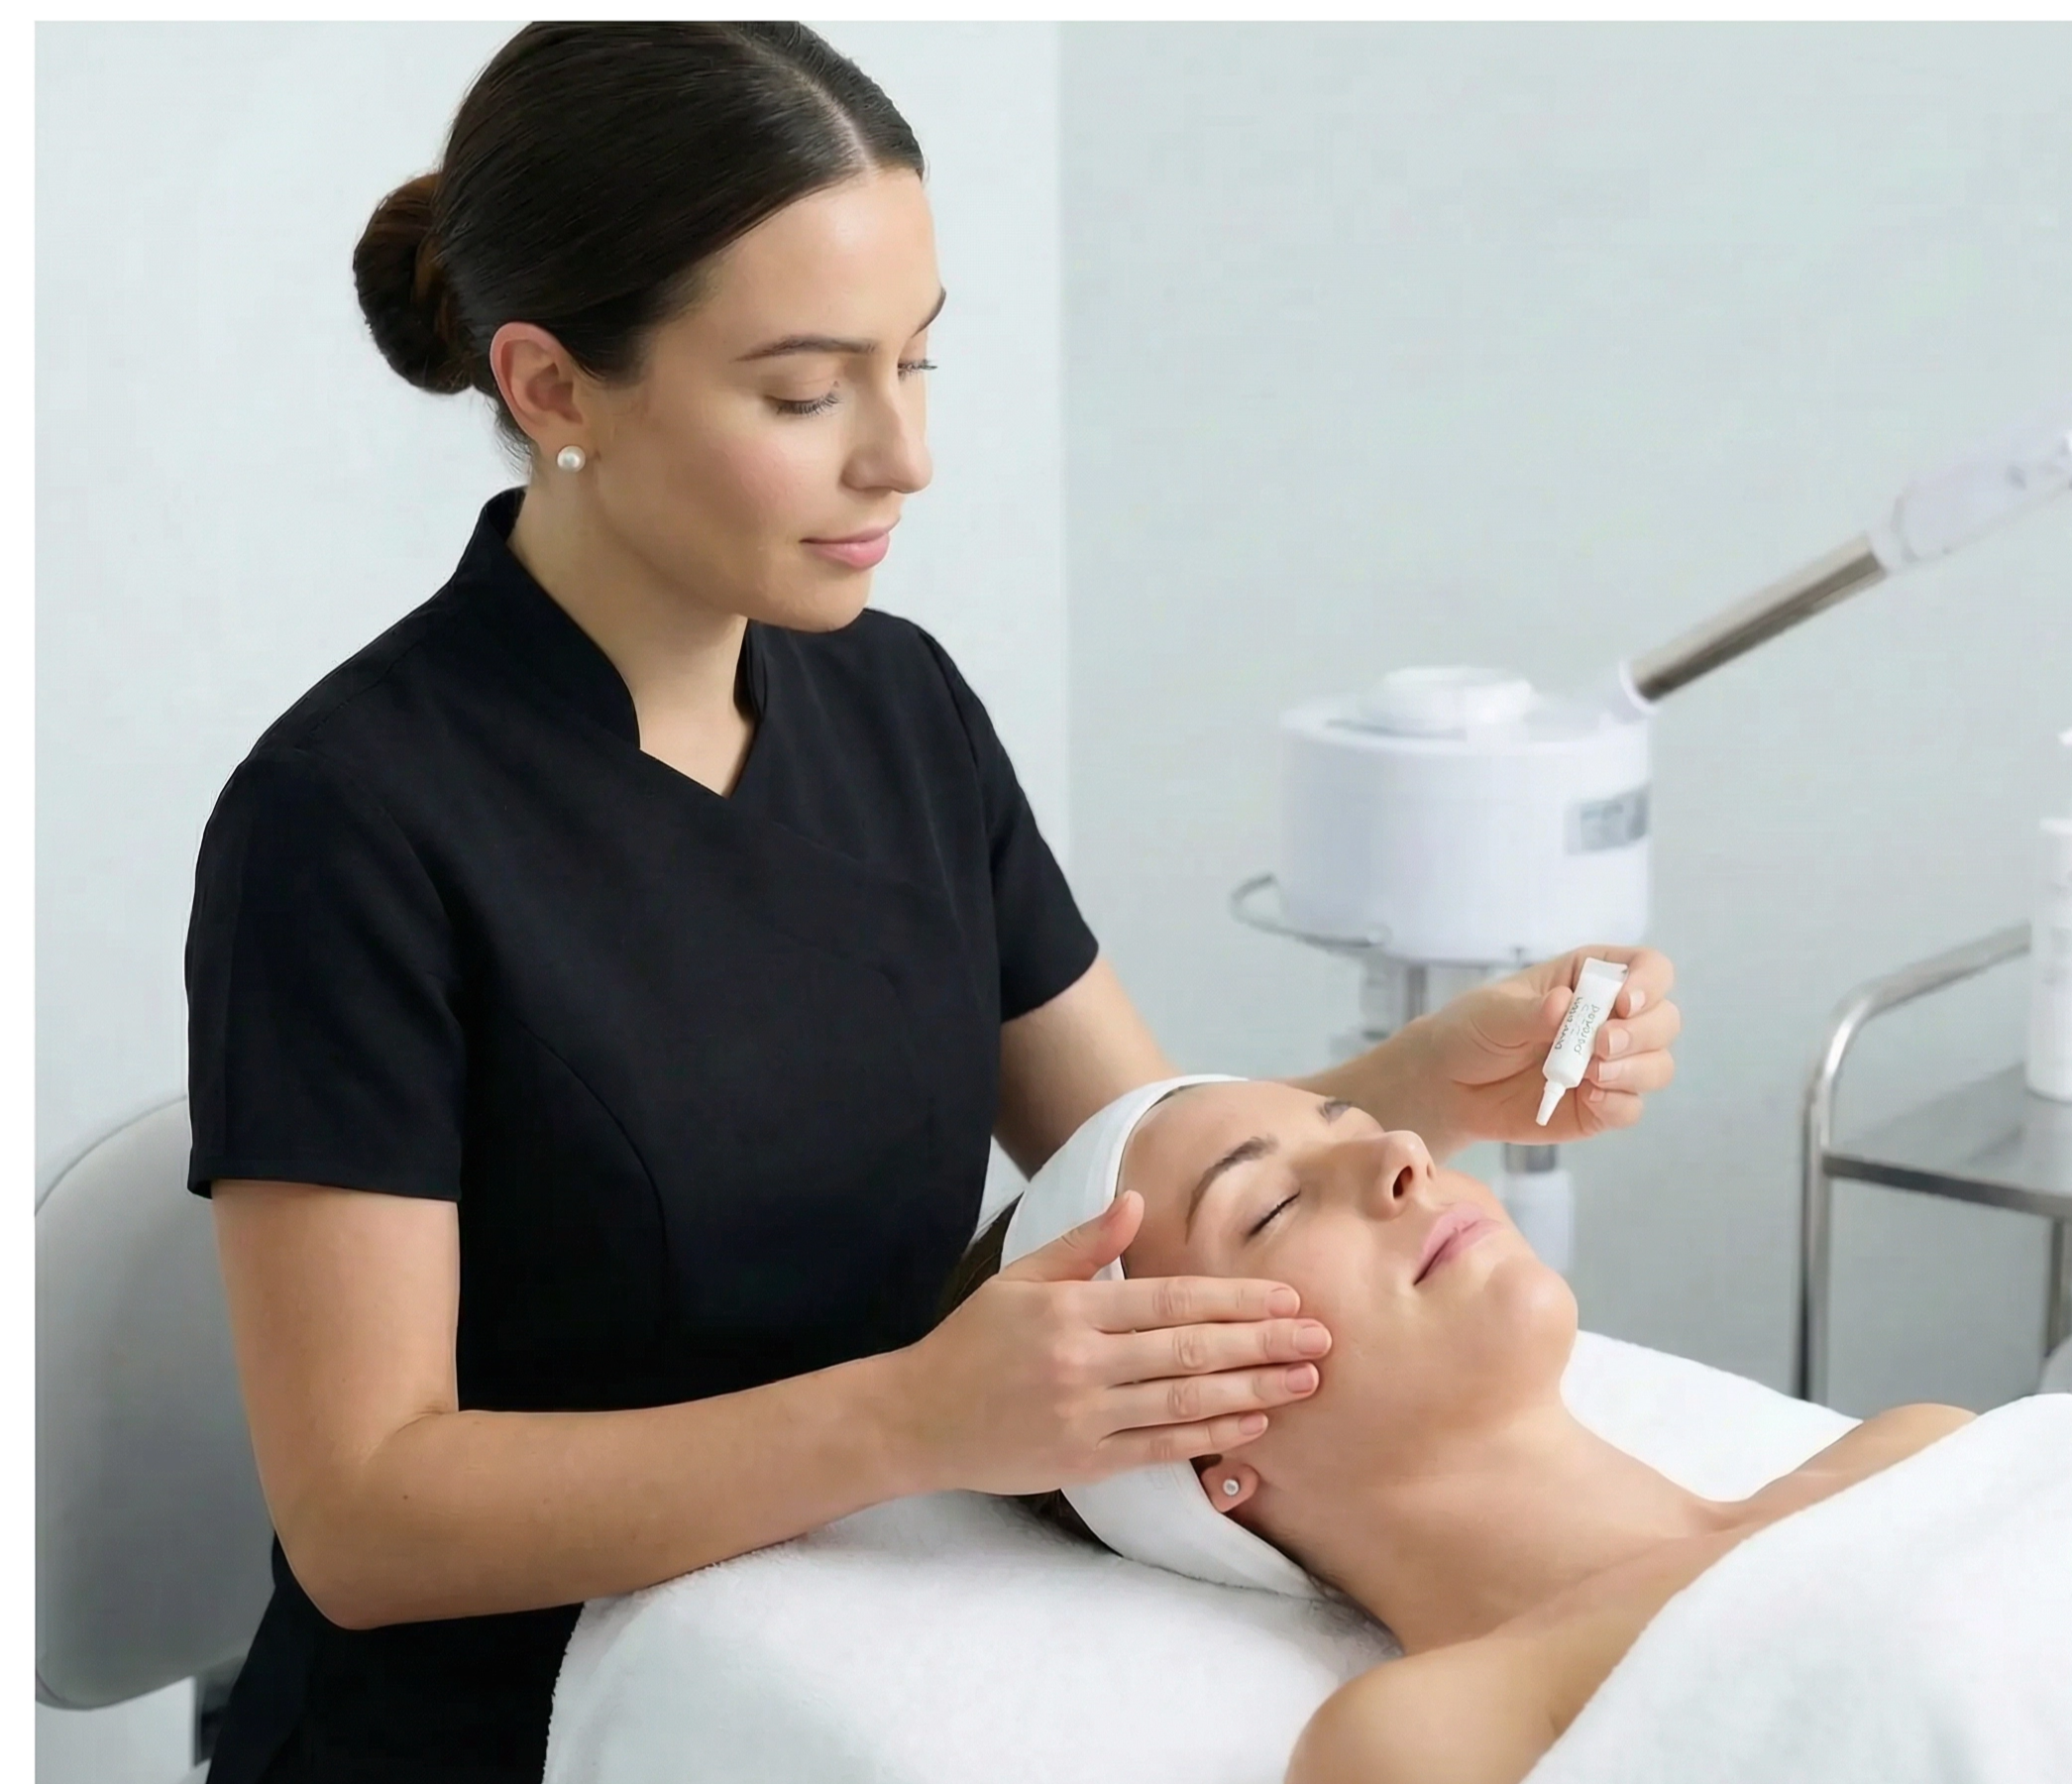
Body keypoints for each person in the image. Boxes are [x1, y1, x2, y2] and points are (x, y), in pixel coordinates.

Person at [183, 22, 1682, 1781]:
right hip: (510, 1719)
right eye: (808, 393)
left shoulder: (896, 708)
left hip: (877, 1612)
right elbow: (365, 1521)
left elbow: (1134, 1170)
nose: (903, 458)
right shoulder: (350, 824)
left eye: (919, 363)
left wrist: (1435, 1083)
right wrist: (914, 1417)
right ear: (554, 388)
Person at [944, 1077, 2072, 1784]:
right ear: (1205, 1458)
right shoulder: (1425, 1731)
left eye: (1354, 1124)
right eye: (1268, 1205)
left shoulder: (1918, 1448)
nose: (1397, 1152)